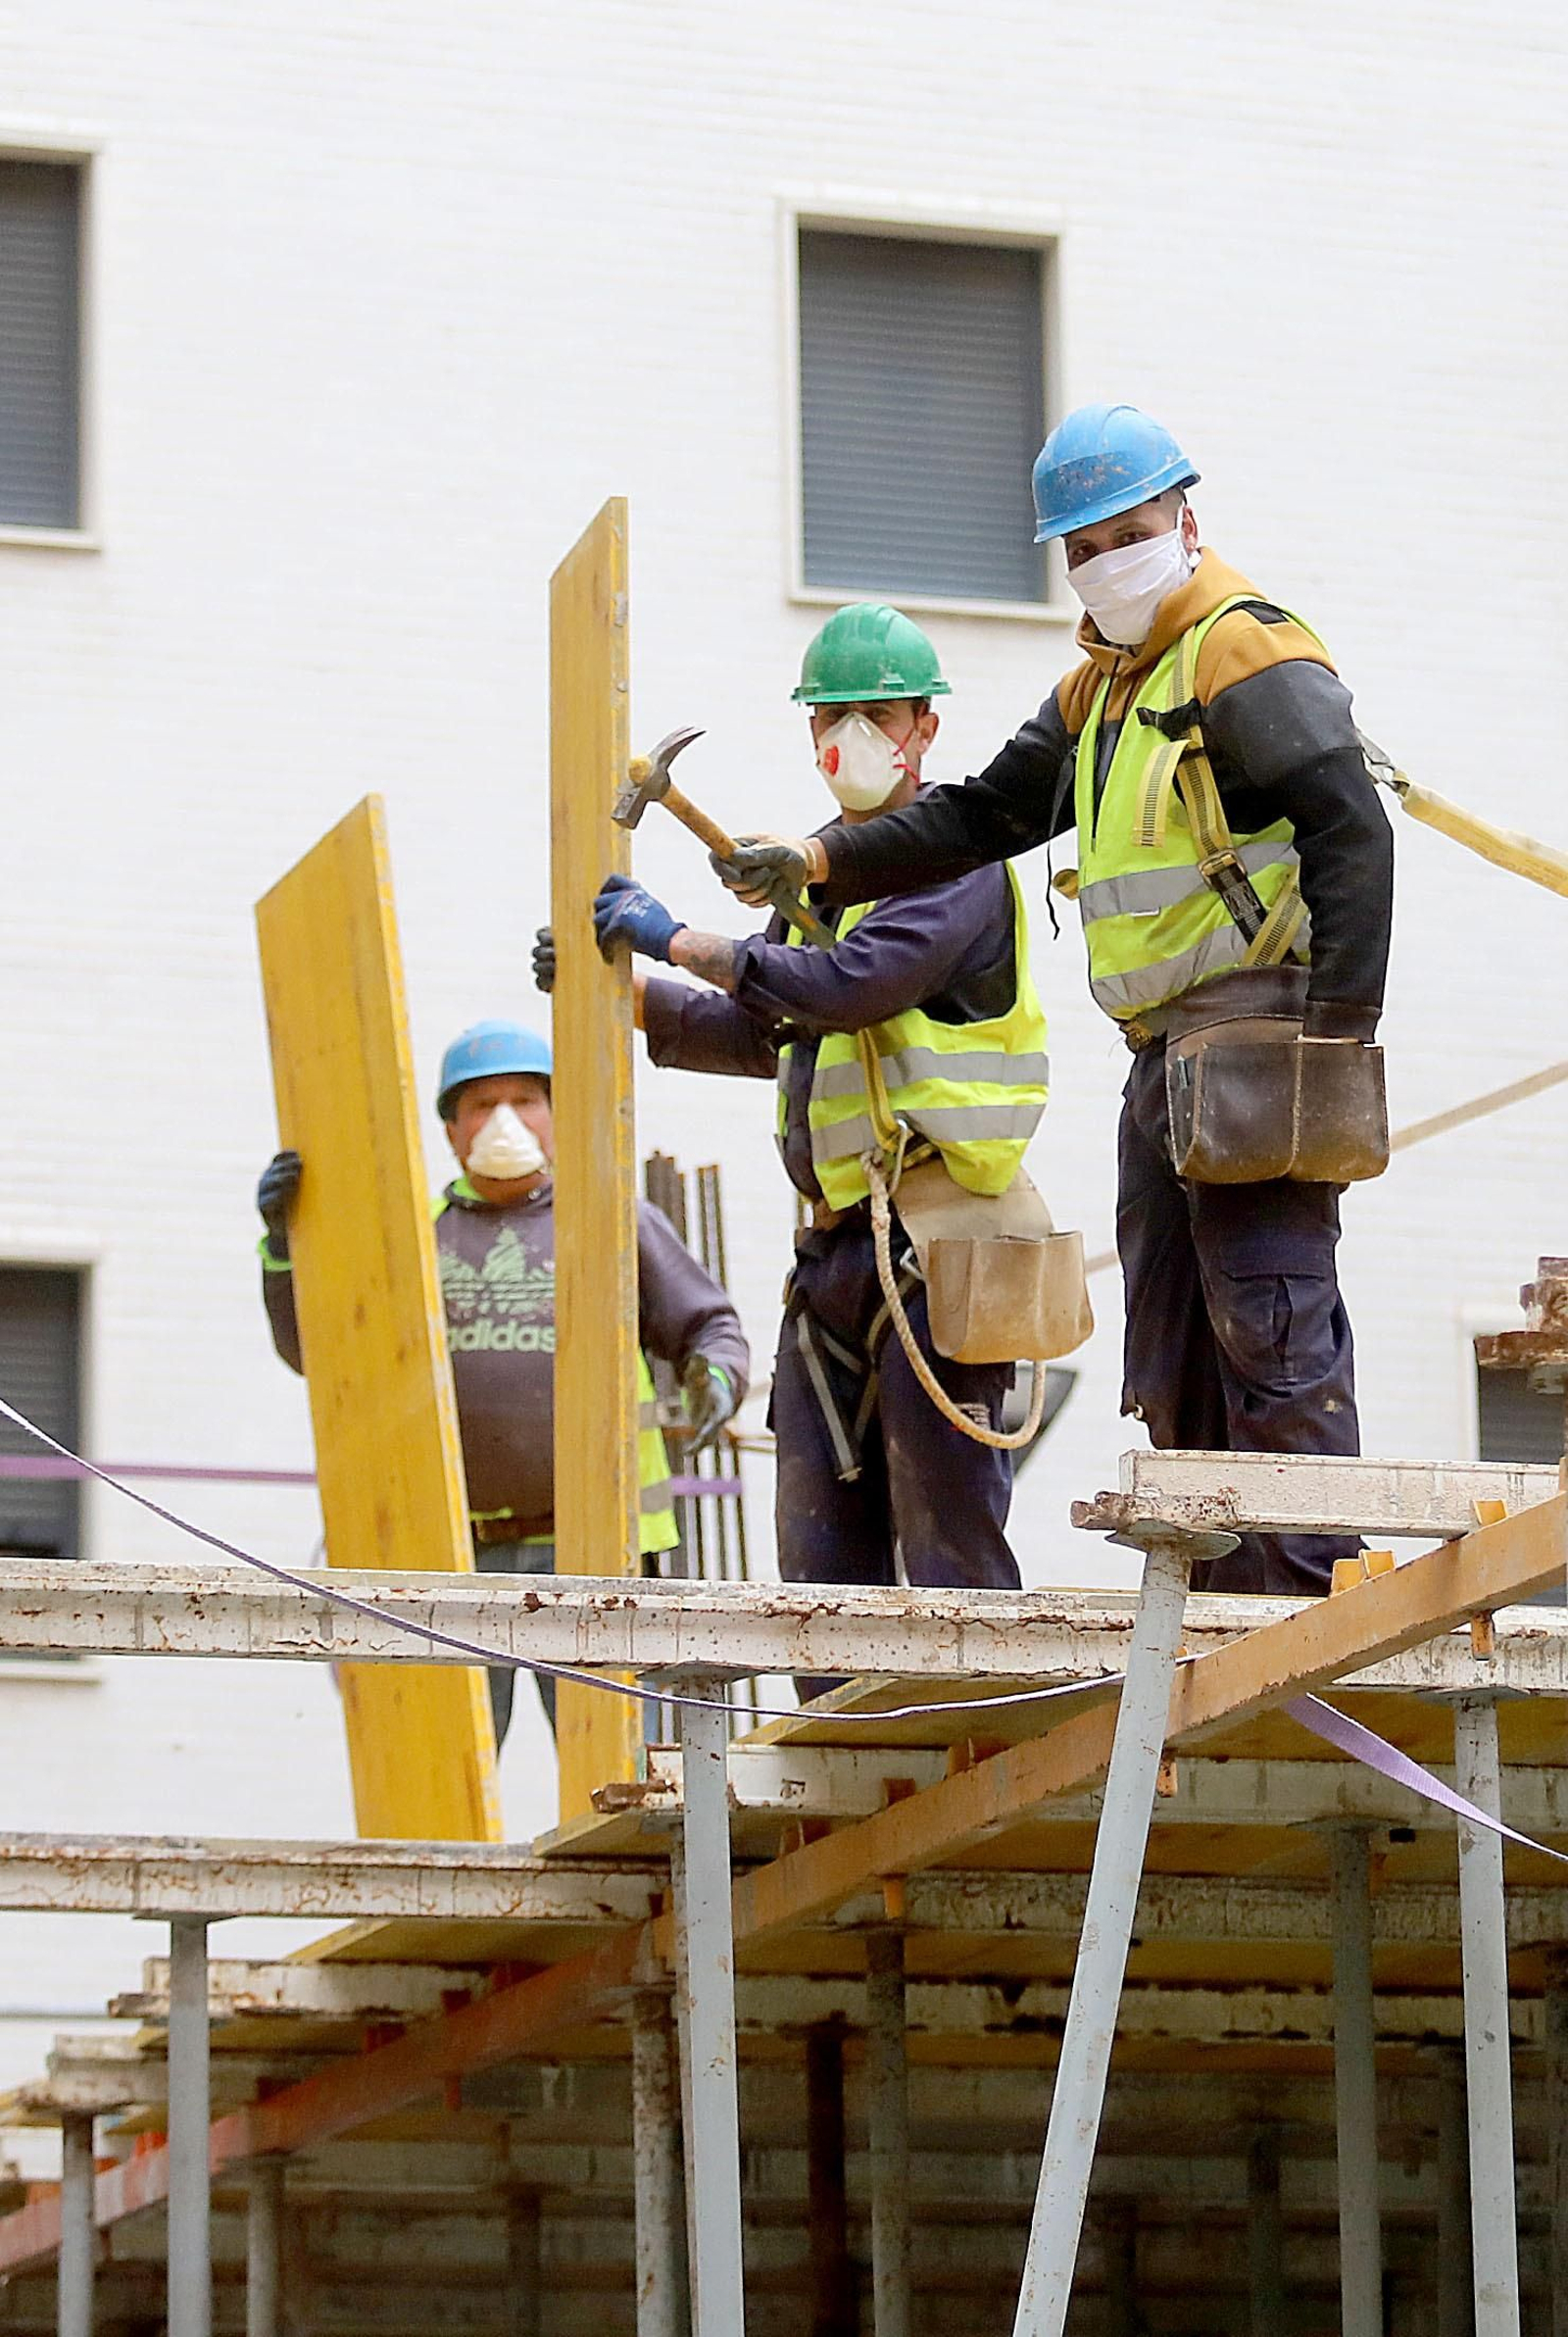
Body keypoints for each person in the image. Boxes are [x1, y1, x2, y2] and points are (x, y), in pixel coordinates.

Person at [712, 408, 1394, 1597]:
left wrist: (1334, 1041)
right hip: (1165, 1055)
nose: (1103, 562)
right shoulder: (1104, 690)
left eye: (1127, 533)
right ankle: (1219, 1596)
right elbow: (978, 814)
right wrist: (821, 861)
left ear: (1186, 520)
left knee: (1269, 1315)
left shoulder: (1244, 654)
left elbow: (1353, 833)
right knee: (1175, 1333)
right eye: (1079, 546)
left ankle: (1297, 1602)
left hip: (1259, 1031)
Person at [540, 603, 1049, 1676]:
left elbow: (851, 986)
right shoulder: (821, 881)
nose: (851, 738)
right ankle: (840, 1772)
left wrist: (678, 935)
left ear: (924, 728)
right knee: (818, 1571)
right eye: (832, 716)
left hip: (934, 1238)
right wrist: (633, 991)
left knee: (946, 1542)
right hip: (833, 1253)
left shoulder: (958, 865)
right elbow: (772, 1022)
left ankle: (970, 1747)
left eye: (877, 715)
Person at [255, 1019, 750, 1742]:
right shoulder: (410, 1235)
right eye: (483, 1106)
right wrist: (282, 1248)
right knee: (445, 1770)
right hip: (447, 1552)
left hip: (594, 1551)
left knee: (617, 1773)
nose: (505, 1121)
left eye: (526, 1100)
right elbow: (319, 1354)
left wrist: (718, 1377)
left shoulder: (608, 1219)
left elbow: (709, 1324)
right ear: (452, 1128)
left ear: (556, 1114)